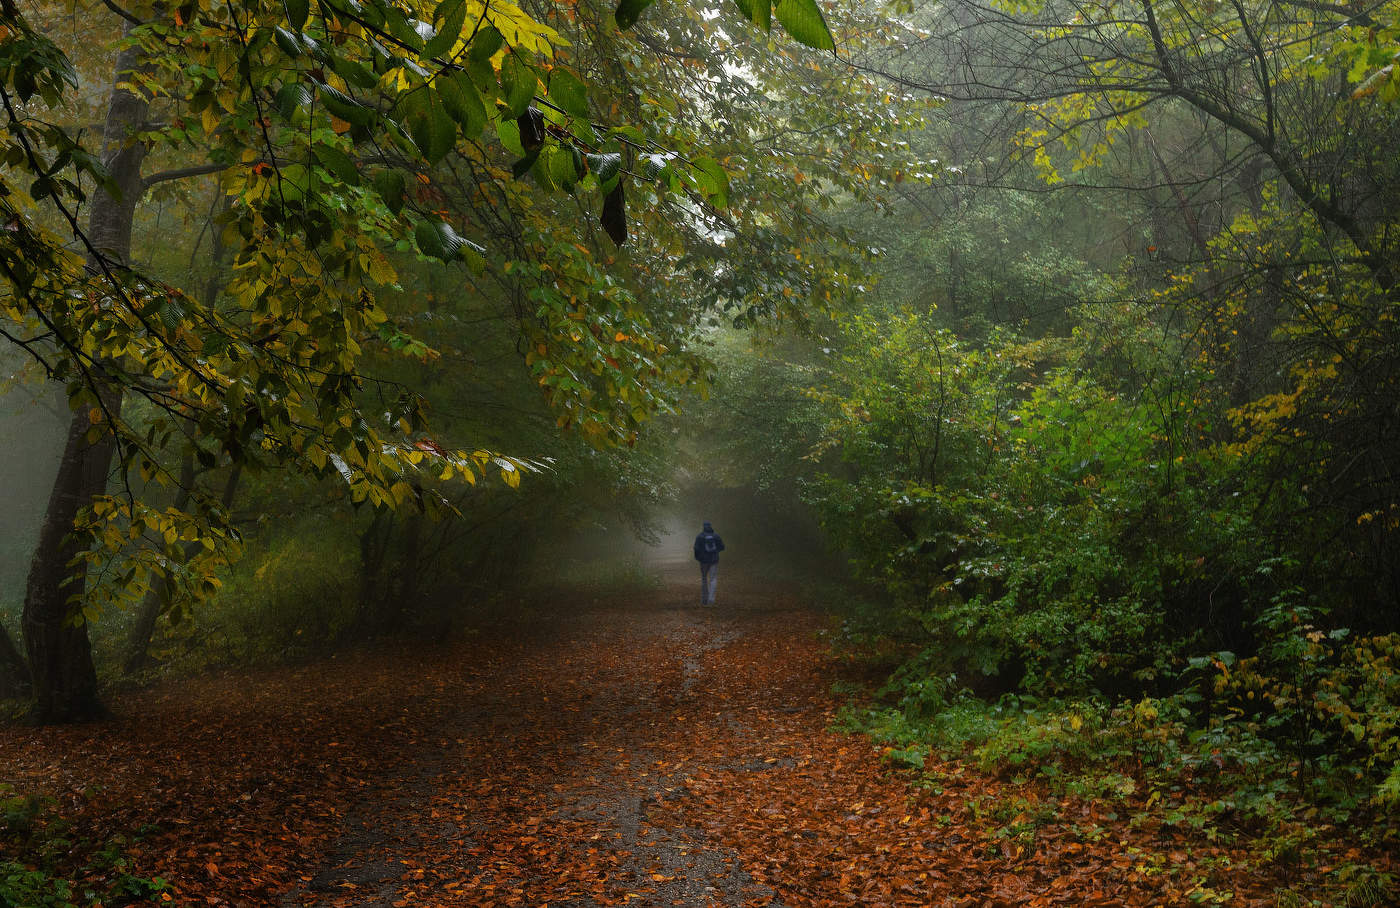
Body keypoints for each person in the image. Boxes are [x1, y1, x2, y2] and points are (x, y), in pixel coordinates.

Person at [693, 521, 725, 605]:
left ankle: (704, 599)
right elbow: (722, 547)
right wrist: (716, 551)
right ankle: (711, 599)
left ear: (703, 527)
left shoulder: (700, 536)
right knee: (713, 578)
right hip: (714, 560)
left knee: (704, 579)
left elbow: (696, 548)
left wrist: (698, 558)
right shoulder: (716, 536)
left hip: (703, 561)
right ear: (711, 527)